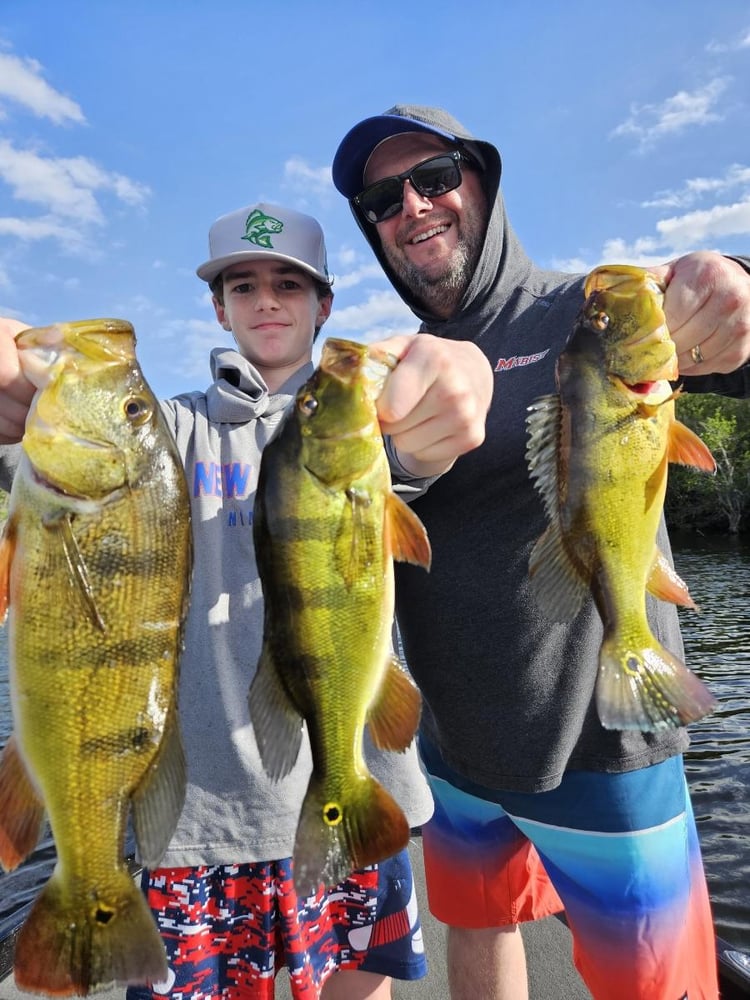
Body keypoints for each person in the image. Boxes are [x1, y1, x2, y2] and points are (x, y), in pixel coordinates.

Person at [0, 200, 488, 1000]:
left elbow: (433, 429)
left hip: (348, 789)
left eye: (289, 285)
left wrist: (457, 376)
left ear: (324, 304)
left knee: (357, 986)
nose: (267, 301)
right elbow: (63, 442)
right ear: (218, 307)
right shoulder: (164, 432)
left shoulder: (365, 427)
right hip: (194, 822)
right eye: (244, 284)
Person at [331, 104, 750, 1000]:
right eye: (381, 198)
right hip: (452, 752)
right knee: (478, 936)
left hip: (610, 746)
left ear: (482, 180)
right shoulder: (392, 368)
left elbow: (715, 329)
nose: (412, 205)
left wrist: (735, 288)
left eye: (435, 177)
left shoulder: (593, 313)